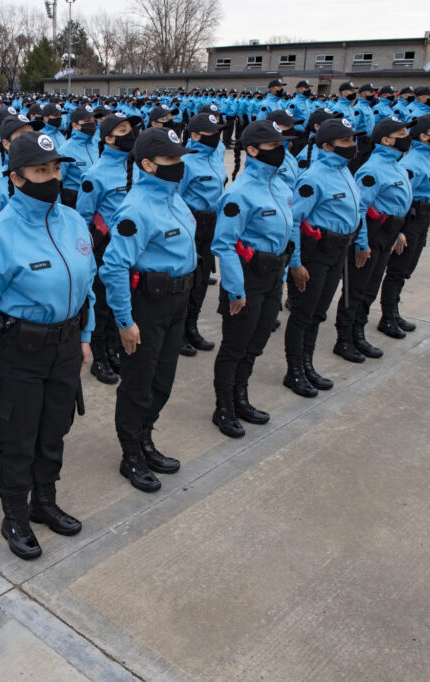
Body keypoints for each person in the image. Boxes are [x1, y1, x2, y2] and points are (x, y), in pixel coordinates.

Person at [0, 130, 94, 560]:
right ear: (16, 178)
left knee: (54, 431)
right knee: (18, 437)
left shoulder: (72, 220)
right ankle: (14, 512)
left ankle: (44, 502)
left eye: (55, 169)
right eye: (40, 170)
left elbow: (87, 284)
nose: (51, 177)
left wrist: (85, 337)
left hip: (66, 347)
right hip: (19, 354)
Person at [100, 127, 197, 493]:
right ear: (147, 165)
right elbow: (113, 267)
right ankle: (131, 455)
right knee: (139, 384)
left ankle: (145, 439)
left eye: (179, 157)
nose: (178, 165)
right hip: (148, 305)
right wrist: (125, 321)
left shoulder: (174, 198)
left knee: (163, 380)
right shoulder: (136, 208)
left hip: (176, 301)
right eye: (170, 159)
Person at [210, 120, 297, 438]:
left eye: (282, 145)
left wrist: (285, 272)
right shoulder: (238, 193)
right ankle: (224, 408)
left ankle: (240, 397)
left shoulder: (281, 186)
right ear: (252, 150)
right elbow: (223, 244)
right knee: (235, 346)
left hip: (273, 276)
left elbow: (287, 234)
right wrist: (234, 289)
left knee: (256, 343)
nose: (282, 151)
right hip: (245, 279)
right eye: (275, 146)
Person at [283, 118, 367, 398]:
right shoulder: (313, 177)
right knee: (302, 314)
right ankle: (294, 371)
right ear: (327, 146)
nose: (352, 145)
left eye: (352, 140)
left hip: (338, 251)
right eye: (345, 141)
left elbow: (357, 209)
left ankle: (308, 364)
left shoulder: (345, 171)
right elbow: (294, 222)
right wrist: (295, 264)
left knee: (318, 312)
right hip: (315, 253)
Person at [333, 116, 413, 363]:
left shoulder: (397, 165)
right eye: (400, 135)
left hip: (388, 232)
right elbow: (360, 209)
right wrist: (362, 243)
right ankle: (344, 339)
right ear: (386, 140)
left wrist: (398, 231)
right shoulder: (371, 169)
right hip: (371, 233)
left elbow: (397, 204)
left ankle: (359, 332)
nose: (406, 138)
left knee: (370, 287)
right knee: (356, 289)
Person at [76, 111, 141, 385]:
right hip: (106, 249)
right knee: (102, 305)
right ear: (109, 138)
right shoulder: (94, 175)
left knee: (122, 302)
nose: (131, 135)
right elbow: (83, 219)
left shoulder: (137, 166)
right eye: (124, 130)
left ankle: (115, 350)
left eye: (131, 129)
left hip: (134, 247)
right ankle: (100, 358)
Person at [378, 114, 430, 339]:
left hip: (424, 218)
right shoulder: (411, 162)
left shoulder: (429, 157)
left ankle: (394, 312)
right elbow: (400, 199)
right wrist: (398, 230)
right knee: (398, 268)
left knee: (407, 268)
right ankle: (387, 316)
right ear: (425, 136)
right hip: (410, 220)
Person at [178, 112, 227, 356]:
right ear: (195, 135)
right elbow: (176, 197)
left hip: (212, 222)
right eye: (211, 131)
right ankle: (178, 333)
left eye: (217, 131)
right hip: (192, 223)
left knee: (202, 276)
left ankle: (192, 327)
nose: (216, 135)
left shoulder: (216, 156)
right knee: (188, 279)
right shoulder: (185, 161)